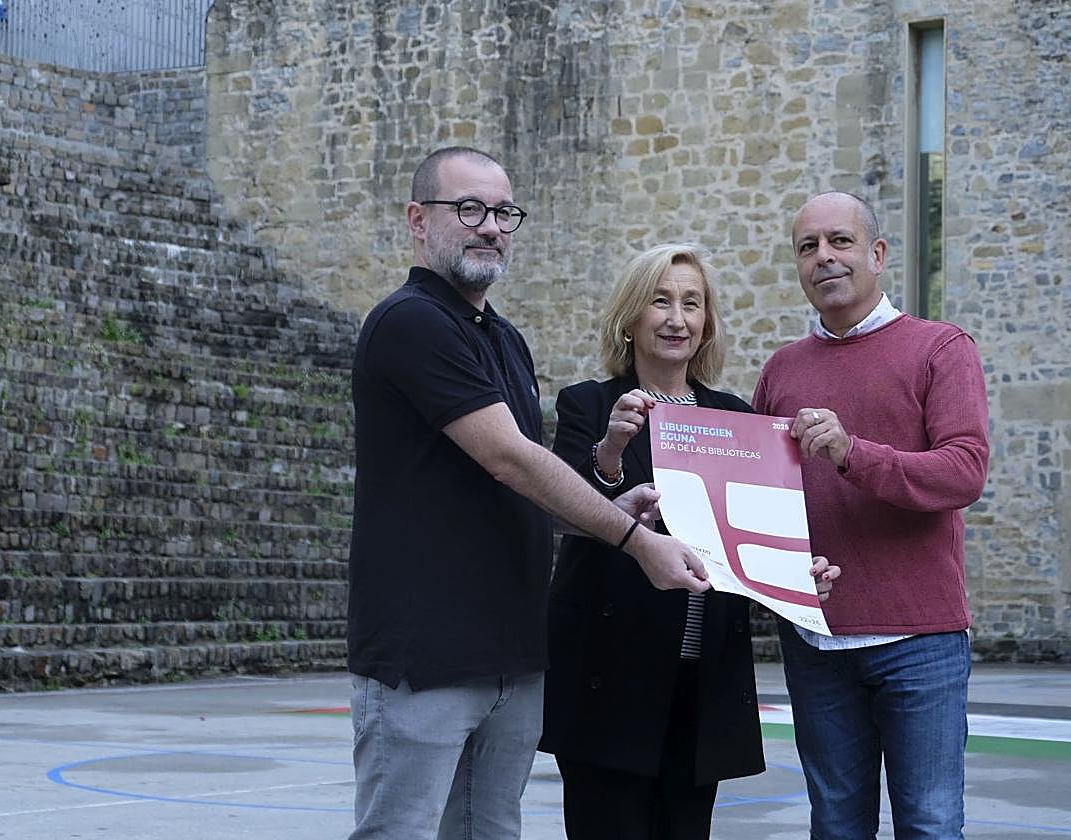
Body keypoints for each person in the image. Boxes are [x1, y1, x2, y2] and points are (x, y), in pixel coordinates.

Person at [346, 147, 714, 840]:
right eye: (469, 209)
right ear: (418, 220)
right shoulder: (409, 322)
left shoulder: (505, 339)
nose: (490, 226)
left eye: (503, 213)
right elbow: (510, 459)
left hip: (512, 654)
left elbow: (525, 481)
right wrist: (633, 538)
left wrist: (605, 512)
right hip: (424, 656)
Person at [538, 243, 838, 839]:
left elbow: (752, 534)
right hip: (611, 679)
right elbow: (565, 507)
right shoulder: (588, 404)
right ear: (630, 318)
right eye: (661, 301)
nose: (677, 319)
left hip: (702, 681)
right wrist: (611, 450)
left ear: (706, 323)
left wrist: (797, 576)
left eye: (692, 304)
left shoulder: (734, 416)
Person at [752, 191, 990, 839]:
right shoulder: (780, 370)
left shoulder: (941, 348)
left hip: (922, 643)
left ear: (878, 254)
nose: (823, 257)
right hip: (815, 642)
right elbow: (760, 499)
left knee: (931, 825)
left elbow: (965, 471)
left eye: (840, 241)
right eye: (808, 247)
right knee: (834, 827)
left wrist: (854, 453)